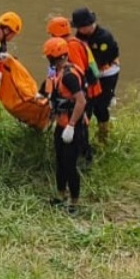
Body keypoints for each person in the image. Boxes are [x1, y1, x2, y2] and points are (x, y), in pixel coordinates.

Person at [42, 37, 87, 213]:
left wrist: (72, 125)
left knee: (69, 165)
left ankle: (74, 202)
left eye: (51, 58)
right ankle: (61, 196)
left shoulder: (69, 77)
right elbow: (54, 93)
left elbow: (81, 101)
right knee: (60, 162)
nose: (50, 62)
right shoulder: (58, 72)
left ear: (59, 57)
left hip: (71, 126)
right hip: (61, 124)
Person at [46, 15, 101, 161]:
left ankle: (85, 159)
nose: (50, 37)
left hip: (84, 93)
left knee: (81, 126)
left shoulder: (71, 47)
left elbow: (78, 75)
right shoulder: (60, 49)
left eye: (52, 34)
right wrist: (48, 91)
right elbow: (53, 71)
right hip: (78, 92)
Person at [71, 7, 120, 146]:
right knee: (87, 104)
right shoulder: (81, 35)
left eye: (81, 27)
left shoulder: (103, 38)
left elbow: (100, 61)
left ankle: (103, 136)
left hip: (106, 72)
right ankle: (83, 137)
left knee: (101, 106)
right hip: (90, 71)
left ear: (89, 25)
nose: (79, 30)